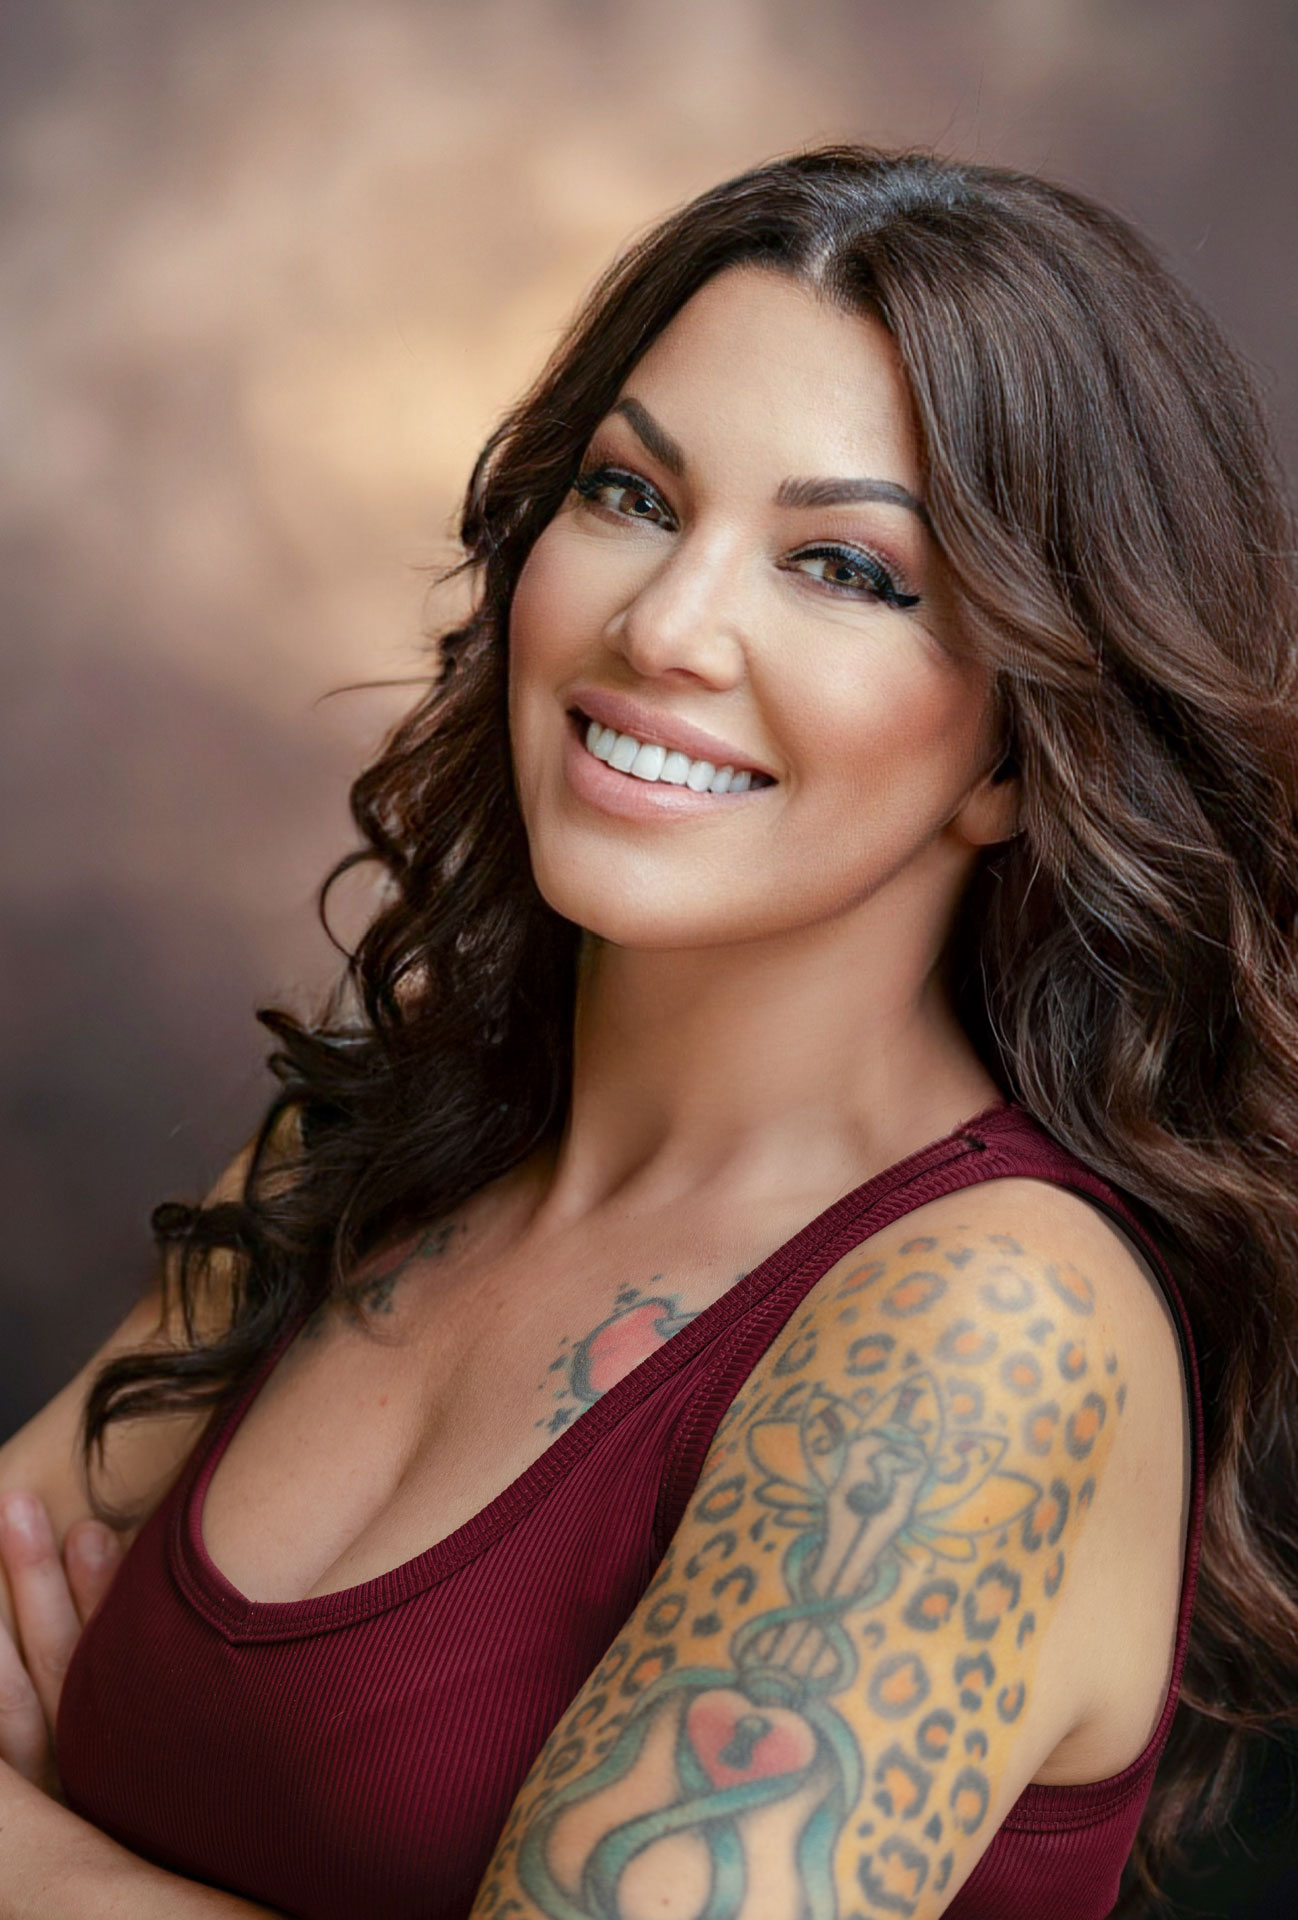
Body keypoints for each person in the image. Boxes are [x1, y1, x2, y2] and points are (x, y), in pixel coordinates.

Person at [0, 143, 1295, 1920]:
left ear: (1016, 752)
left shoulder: (990, 1334)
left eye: (844, 568)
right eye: (630, 494)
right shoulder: (378, 1139)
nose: (665, 624)